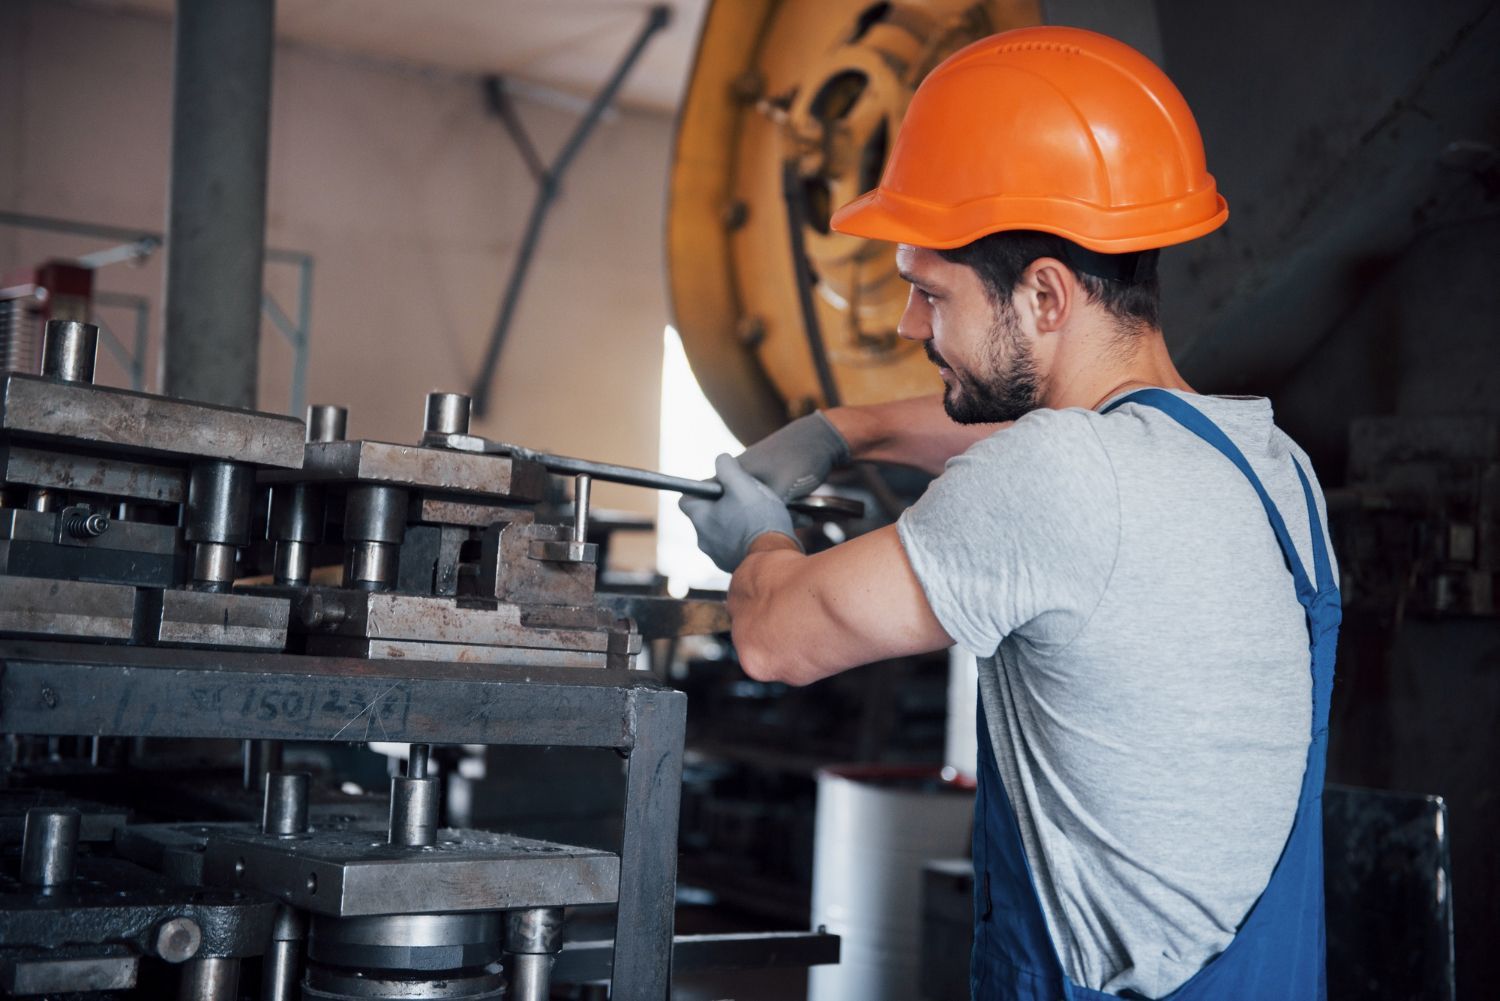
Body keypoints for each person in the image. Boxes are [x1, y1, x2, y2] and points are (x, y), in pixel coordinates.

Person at [678, 25, 1340, 1001]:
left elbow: (778, 637)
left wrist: (756, 535)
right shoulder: (1271, 466)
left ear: (1042, 295)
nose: (910, 327)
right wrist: (841, 428)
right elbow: (1049, 463)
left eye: (929, 292)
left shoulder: (1060, 480)